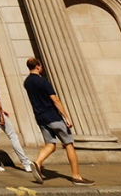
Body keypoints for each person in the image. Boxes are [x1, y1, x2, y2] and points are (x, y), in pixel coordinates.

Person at [23, 58, 94, 186]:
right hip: (53, 116)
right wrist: (66, 117)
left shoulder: (27, 82)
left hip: (40, 118)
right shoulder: (44, 83)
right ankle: (76, 176)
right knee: (69, 144)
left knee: (50, 144)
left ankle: (37, 163)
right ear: (38, 66)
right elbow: (55, 101)